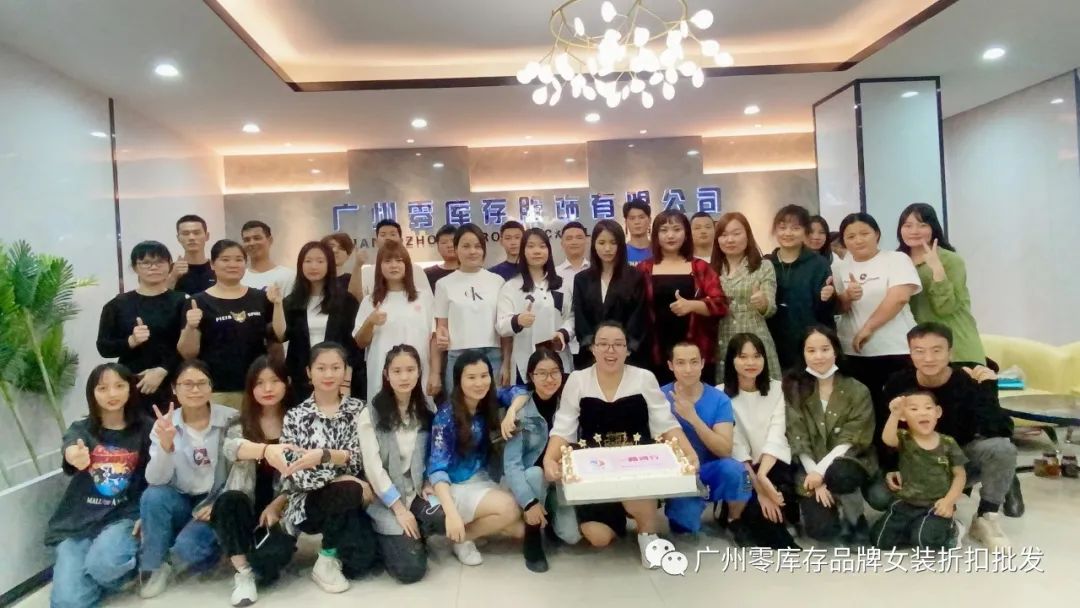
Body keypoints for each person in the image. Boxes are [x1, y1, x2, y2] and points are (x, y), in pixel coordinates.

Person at [542, 321, 699, 568]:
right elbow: (564, 427)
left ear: (627, 350)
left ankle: (647, 534)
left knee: (638, 496)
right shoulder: (578, 380)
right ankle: (618, 514)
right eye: (603, 344)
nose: (610, 350)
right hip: (596, 469)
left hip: (637, 466)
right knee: (599, 538)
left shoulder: (644, 378)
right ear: (593, 349)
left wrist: (689, 453)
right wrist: (549, 459)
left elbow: (665, 423)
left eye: (618, 344)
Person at [882, 323, 1018, 548]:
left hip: (957, 460)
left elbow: (1001, 430)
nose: (928, 358)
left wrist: (988, 389)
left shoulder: (968, 380)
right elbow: (885, 429)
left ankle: (986, 517)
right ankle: (924, 514)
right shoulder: (898, 383)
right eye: (919, 351)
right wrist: (890, 466)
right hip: (913, 463)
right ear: (910, 354)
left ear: (950, 353)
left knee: (1002, 448)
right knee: (879, 497)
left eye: (936, 350)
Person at [46, 363, 151, 608]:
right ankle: (90, 579)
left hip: (124, 517)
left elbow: (159, 476)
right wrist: (75, 456)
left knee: (105, 566)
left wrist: (147, 514)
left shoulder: (147, 428)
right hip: (79, 524)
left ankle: (128, 569)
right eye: (102, 388)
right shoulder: (81, 429)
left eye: (119, 386)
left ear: (130, 389)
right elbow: (71, 447)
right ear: (92, 394)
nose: (112, 394)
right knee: (67, 602)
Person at [280, 342, 377, 593]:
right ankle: (326, 558)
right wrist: (341, 472)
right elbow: (297, 474)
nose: (329, 374)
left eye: (336, 367)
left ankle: (339, 552)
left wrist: (323, 458)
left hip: (350, 501)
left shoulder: (358, 410)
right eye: (321, 368)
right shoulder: (295, 416)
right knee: (349, 488)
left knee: (362, 564)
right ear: (309, 372)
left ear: (346, 371)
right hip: (309, 504)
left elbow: (360, 459)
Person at [138, 360, 238, 598]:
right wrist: (166, 447)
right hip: (181, 499)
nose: (195, 390)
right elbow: (155, 479)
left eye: (202, 383)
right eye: (187, 384)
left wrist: (220, 503)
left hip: (216, 500)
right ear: (174, 388)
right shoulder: (164, 424)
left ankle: (189, 554)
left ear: (211, 387)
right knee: (153, 496)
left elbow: (242, 471)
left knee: (189, 549)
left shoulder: (231, 419)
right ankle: (153, 566)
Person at [210, 356, 298, 606]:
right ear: (250, 388)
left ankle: (255, 559)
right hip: (244, 504)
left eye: (274, 381)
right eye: (259, 383)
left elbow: (302, 476)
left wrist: (278, 504)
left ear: (287, 383)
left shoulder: (298, 421)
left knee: (268, 567)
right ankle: (243, 573)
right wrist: (265, 450)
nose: (267, 388)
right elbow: (232, 448)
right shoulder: (238, 422)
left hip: (281, 510)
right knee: (229, 500)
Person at [833, 212, 921, 462]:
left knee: (897, 412)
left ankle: (902, 465)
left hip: (894, 350)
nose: (858, 240)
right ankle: (871, 468)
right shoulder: (840, 267)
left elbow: (899, 297)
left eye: (864, 233)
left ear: (877, 234)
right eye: (850, 236)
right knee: (864, 414)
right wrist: (847, 297)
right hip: (854, 353)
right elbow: (838, 308)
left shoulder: (896, 259)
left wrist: (868, 328)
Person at [427, 351, 525, 566]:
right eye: (471, 377)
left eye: (484, 375)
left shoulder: (488, 400)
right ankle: (461, 538)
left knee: (520, 530)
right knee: (509, 509)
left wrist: (511, 412)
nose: (479, 383)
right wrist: (451, 513)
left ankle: (469, 529)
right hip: (456, 486)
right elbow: (436, 469)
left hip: (482, 479)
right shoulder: (445, 416)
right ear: (458, 380)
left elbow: (520, 391)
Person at [783, 326, 876, 544]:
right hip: (809, 466)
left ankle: (856, 520)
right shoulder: (792, 389)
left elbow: (852, 438)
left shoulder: (857, 390)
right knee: (822, 531)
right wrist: (815, 476)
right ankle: (831, 507)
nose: (819, 356)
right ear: (803, 354)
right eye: (811, 350)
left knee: (841, 473)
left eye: (825, 349)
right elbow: (796, 436)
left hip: (847, 461)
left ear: (835, 351)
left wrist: (821, 471)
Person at [357, 346, 440, 584]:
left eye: (410, 370)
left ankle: (414, 535)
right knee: (410, 571)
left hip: (415, 492)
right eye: (397, 371)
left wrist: (428, 481)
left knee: (442, 514)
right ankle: (390, 539)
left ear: (419, 372)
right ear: (386, 374)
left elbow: (432, 454)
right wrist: (399, 509)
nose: (404, 377)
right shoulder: (371, 414)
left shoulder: (426, 410)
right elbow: (373, 469)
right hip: (385, 499)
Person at [498, 349, 582, 571]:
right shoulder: (521, 412)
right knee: (535, 473)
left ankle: (550, 517)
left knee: (571, 536)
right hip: (527, 482)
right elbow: (512, 465)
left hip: (556, 481)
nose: (549, 379)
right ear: (531, 376)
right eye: (542, 373)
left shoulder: (568, 406)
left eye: (555, 372)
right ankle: (532, 539)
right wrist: (529, 502)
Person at [660, 342, 749, 537]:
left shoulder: (719, 399)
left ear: (702, 363)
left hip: (711, 468)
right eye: (681, 363)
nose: (688, 369)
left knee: (741, 474)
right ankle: (681, 509)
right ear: (670, 365)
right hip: (678, 474)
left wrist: (693, 417)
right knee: (684, 528)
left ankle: (734, 518)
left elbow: (725, 450)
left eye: (694, 362)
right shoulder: (659, 397)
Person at [720, 334, 799, 549]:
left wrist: (764, 477)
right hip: (744, 470)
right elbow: (735, 446)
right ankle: (733, 517)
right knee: (759, 509)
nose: (751, 362)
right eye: (743, 356)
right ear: (732, 360)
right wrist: (760, 489)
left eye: (756, 356)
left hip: (771, 463)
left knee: (780, 502)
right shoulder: (720, 394)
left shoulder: (778, 389)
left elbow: (777, 434)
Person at [178, 239, 274, 409]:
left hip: (258, 386)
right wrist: (190, 327)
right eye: (225, 259)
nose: (232, 264)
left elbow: (274, 342)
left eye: (238, 259)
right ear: (212, 264)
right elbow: (188, 353)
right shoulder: (197, 302)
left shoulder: (260, 298)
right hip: (217, 389)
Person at [96, 241, 187, 413]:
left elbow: (189, 347)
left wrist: (163, 370)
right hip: (132, 383)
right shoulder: (117, 305)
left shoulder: (182, 301)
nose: (153, 267)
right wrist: (130, 341)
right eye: (146, 263)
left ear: (170, 265)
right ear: (135, 267)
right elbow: (104, 347)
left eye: (160, 262)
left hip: (173, 381)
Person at [637, 210, 726, 386]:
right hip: (655, 350)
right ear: (655, 235)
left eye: (677, 229)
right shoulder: (644, 268)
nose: (670, 235)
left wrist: (693, 305)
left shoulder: (701, 267)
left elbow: (721, 304)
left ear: (686, 234)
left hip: (696, 349)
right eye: (664, 230)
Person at [870, 391, 966, 549]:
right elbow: (887, 439)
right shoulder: (904, 438)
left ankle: (953, 530)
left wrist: (949, 501)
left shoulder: (948, 443)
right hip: (906, 502)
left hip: (936, 504)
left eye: (928, 408)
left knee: (924, 541)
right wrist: (894, 414)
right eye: (914, 409)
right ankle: (916, 526)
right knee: (880, 541)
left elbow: (960, 475)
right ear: (903, 416)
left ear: (938, 412)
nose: (922, 412)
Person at [272, 240, 363, 400]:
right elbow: (281, 336)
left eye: (320, 261)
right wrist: (278, 305)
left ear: (330, 265)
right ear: (300, 265)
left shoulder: (345, 301)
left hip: (338, 377)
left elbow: (353, 344)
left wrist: (346, 378)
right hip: (302, 378)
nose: (314, 266)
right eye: (308, 261)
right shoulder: (292, 301)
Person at [896, 203, 986, 365]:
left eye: (922, 225)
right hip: (917, 347)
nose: (914, 231)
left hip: (955, 345)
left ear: (933, 228)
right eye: (907, 226)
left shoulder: (950, 260)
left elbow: (946, 308)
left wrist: (937, 270)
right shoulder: (897, 260)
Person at [433, 223, 510, 394]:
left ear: (483, 249)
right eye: (466, 246)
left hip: (492, 354)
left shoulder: (497, 281)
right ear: (456, 249)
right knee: (458, 406)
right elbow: (441, 326)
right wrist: (441, 335)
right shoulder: (443, 284)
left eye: (477, 246)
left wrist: (506, 363)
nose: (472, 251)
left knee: (493, 406)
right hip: (457, 355)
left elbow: (504, 328)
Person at [355, 240, 434, 401]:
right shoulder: (370, 301)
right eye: (388, 261)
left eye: (399, 261)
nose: (394, 265)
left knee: (419, 411)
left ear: (407, 265)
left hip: (419, 372)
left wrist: (435, 373)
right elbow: (360, 342)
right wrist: (370, 321)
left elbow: (434, 337)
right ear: (379, 266)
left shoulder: (424, 298)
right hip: (382, 374)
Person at [497, 228, 573, 384]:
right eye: (531, 246)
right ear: (523, 251)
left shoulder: (561, 284)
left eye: (542, 246)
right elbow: (501, 326)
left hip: (558, 360)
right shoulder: (511, 286)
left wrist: (564, 333)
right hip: (525, 362)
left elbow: (571, 317)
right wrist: (517, 320)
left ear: (549, 251)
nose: (537, 251)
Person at [765, 205, 836, 372]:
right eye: (782, 227)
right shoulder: (766, 263)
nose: (788, 233)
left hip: (810, 345)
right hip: (774, 344)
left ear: (806, 232)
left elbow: (827, 313)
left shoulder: (818, 264)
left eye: (795, 228)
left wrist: (827, 298)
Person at [712, 212, 780, 381]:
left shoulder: (763, 266)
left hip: (754, 338)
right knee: (727, 390)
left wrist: (762, 302)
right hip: (722, 339)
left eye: (736, 233)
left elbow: (770, 308)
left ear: (747, 235)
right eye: (724, 235)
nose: (730, 240)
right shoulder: (711, 269)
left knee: (762, 389)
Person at [572, 220, 647, 369]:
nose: (607, 248)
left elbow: (638, 317)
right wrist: (594, 347)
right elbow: (580, 318)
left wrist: (623, 347)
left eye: (613, 243)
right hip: (591, 355)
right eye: (601, 243)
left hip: (627, 355)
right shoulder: (582, 279)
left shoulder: (636, 276)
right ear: (594, 245)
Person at [353, 220, 427, 300]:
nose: (388, 238)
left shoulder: (416, 270)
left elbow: (427, 299)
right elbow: (357, 300)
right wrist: (357, 265)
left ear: (401, 241)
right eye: (383, 235)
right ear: (376, 242)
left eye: (393, 234)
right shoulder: (366, 272)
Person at [555, 221, 590, 366]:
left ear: (587, 241)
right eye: (569, 238)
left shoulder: (596, 272)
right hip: (562, 345)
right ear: (562, 243)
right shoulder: (553, 275)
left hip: (590, 345)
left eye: (579, 237)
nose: (574, 241)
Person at [240, 221, 294, 293]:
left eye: (257, 238)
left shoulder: (288, 276)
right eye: (247, 240)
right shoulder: (238, 278)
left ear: (270, 240)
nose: (252, 243)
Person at [169, 214, 216, 295]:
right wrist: (173, 277)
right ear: (178, 238)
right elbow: (159, 299)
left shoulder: (217, 268)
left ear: (207, 236)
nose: (191, 237)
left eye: (196, 233)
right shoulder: (169, 269)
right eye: (185, 233)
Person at [424, 224, 460, 292]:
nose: (450, 245)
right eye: (444, 242)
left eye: (453, 241)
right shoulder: (427, 274)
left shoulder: (470, 271)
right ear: (438, 247)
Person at [623, 198, 652, 264]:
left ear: (649, 220)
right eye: (632, 218)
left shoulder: (659, 250)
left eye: (641, 217)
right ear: (626, 222)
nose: (637, 222)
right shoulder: (620, 252)